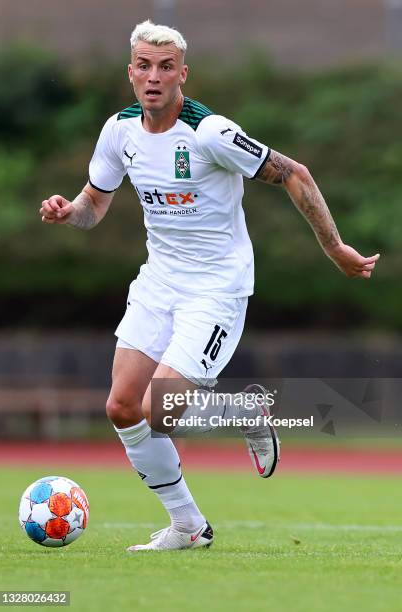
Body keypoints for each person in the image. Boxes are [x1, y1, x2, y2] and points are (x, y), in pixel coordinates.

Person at [39, 20, 380, 551]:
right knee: (122, 407)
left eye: (166, 67)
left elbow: (295, 173)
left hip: (215, 289)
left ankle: (245, 411)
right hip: (158, 283)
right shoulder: (119, 132)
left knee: (163, 411)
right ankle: (188, 527)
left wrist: (334, 247)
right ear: (131, 73)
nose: (154, 77)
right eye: (145, 66)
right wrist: (68, 212)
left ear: (182, 74)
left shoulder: (210, 132)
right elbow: (94, 205)